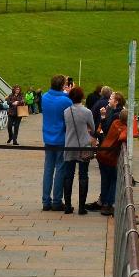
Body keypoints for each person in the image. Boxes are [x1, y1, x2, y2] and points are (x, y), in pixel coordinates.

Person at [60, 87, 96, 215]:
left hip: (69, 144)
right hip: (83, 145)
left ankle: (68, 205)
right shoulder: (87, 112)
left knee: (68, 175)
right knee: (83, 175)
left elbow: (65, 126)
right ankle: (81, 207)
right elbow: (93, 127)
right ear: (82, 97)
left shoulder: (66, 111)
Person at [39, 75, 71, 210]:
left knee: (48, 169)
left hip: (48, 136)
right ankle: (57, 201)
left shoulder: (44, 97)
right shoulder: (65, 101)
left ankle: (46, 201)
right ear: (62, 85)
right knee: (60, 169)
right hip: (61, 137)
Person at [96, 92, 128, 216]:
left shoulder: (115, 121)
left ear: (117, 101)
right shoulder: (119, 122)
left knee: (105, 179)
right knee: (113, 179)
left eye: (111, 98)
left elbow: (106, 129)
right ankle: (108, 204)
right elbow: (122, 137)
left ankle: (103, 201)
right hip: (110, 155)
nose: (109, 99)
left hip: (102, 152)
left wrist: (103, 117)